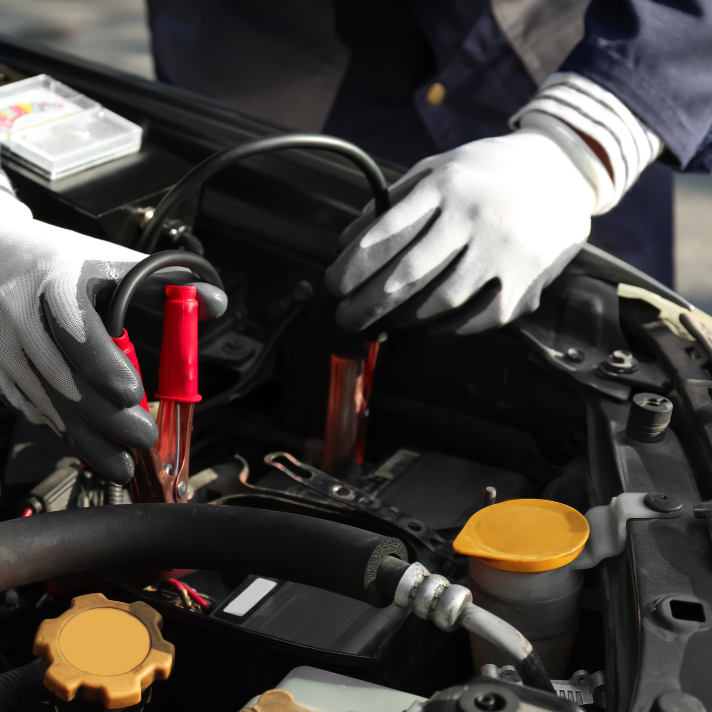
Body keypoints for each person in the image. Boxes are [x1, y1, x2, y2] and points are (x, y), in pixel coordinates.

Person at [0, 0, 710, 479]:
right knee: (286, 247)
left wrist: (581, 146)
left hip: (569, 64)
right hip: (277, 61)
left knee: (596, 328)